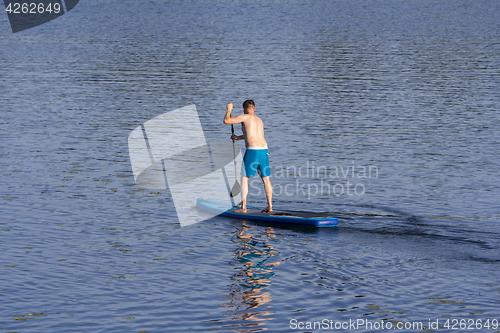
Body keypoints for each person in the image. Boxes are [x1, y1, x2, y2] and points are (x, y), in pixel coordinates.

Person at [223, 100, 273, 213]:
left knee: (244, 178)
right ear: (254, 109)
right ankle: (270, 206)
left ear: (243, 109)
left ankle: (243, 207)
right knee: (266, 179)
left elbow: (227, 121)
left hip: (253, 151)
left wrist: (229, 110)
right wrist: (238, 138)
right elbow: (252, 135)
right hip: (264, 150)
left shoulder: (245, 117)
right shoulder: (259, 120)